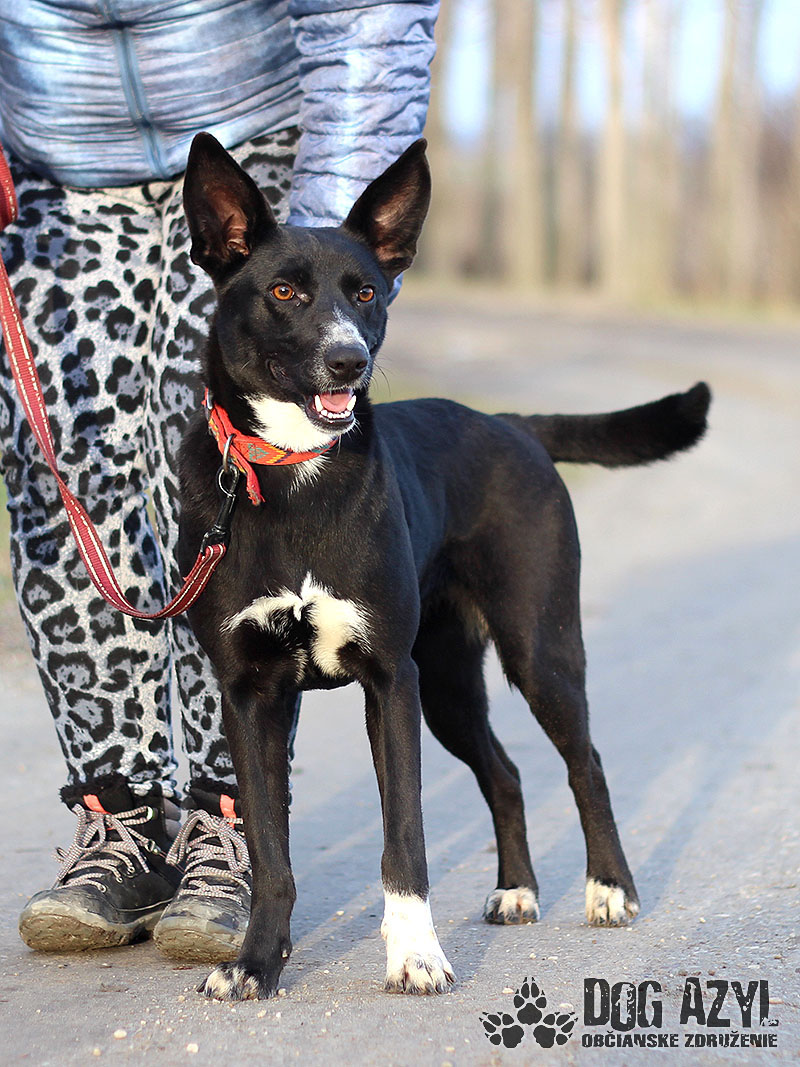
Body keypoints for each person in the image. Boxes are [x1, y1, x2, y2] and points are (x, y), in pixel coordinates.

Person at [0, 0, 437, 961]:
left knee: (219, 454)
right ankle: (119, 818)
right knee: (59, 474)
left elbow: (370, 15)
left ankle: (231, 820)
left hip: (255, 133)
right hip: (50, 173)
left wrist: (329, 240)